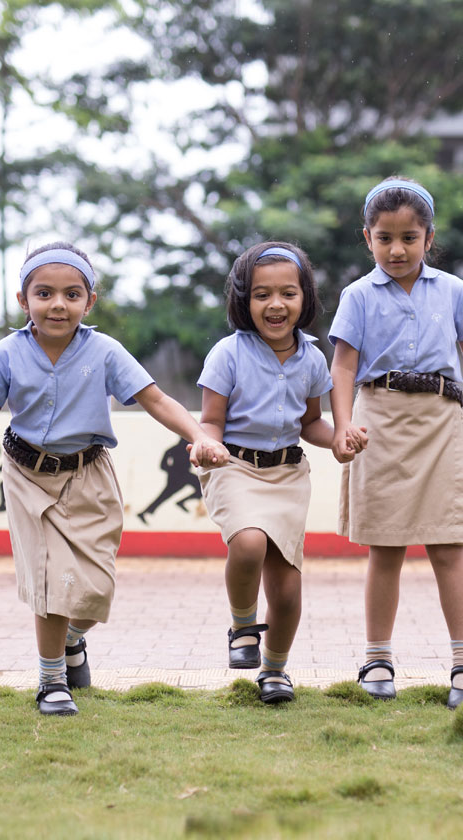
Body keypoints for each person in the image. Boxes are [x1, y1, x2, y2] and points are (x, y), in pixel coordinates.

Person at [0, 241, 229, 716]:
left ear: (89, 301)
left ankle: (72, 642)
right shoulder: (6, 354)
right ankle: (51, 681)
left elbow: (156, 399)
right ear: (23, 300)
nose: (57, 304)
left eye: (71, 294)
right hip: (28, 477)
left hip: (90, 476)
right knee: (52, 584)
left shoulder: (104, 351)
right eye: (44, 293)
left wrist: (200, 436)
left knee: (95, 590)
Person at [329, 176, 463, 708]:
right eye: (384, 238)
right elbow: (344, 366)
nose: (397, 249)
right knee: (385, 548)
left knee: (449, 546)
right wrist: (342, 424)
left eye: (409, 237)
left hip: (441, 423)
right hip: (377, 424)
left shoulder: (452, 290)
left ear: (429, 237)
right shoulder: (357, 296)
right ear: (367, 238)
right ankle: (377, 660)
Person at [197, 241, 346, 704]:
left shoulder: (314, 359)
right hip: (233, 466)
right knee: (248, 543)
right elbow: (210, 421)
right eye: (262, 295)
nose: (275, 304)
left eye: (288, 293)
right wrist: (205, 445)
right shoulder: (227, 354)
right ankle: (243, 626)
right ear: (245, 301)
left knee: (286, 591)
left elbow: (310, 423)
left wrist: (339, 439)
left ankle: (275, 671)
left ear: (306, 298)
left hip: (287, 475)